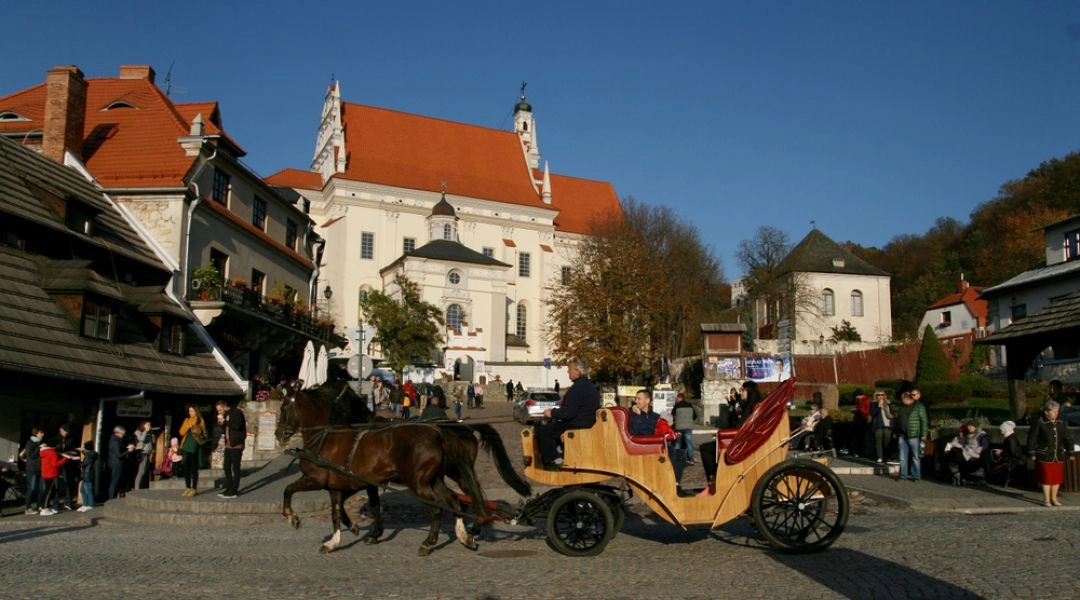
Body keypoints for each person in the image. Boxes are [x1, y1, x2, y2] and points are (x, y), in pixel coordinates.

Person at [534, 357, 600, 469]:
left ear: (577, 371)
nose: (568, 371)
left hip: (578, 424)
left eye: (569, 369)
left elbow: (569, 412)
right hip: (587, 422)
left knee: (542, 430)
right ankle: (560, 452)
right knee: (553, 428)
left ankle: (553, 460)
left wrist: (552, 413)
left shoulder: (578, 387)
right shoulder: (589, 385)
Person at [1027, 399, 1075, 507]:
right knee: (1047, 478)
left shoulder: (1060, 423)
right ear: (1046, 412)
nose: (1056, 413)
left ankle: (1054, 499)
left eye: (1057, 411)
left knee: (1056, 479)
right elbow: (1032, 439)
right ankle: (1046, 500)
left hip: (1058, 455)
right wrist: (1032, 453)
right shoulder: (1039, 422)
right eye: (1053, 411)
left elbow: (1067, 438)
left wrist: (1070, 452)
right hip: (1044, 455)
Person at [894, 391, 928, 481]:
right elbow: (898, 420)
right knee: (902, 457)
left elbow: (924, 421)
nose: (902, 401)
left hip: (914, 435)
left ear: (907, 398)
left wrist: (924, 434)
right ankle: (902, 475)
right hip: (902, 435)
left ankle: (916, 475)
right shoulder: (902, 407)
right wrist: (896, 432)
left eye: (903, 399)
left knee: (915, 457)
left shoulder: (919, 407)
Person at [216, 399, 247, 499]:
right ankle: (228, 487)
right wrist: (222, 424)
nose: (219, 412)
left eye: (220, 410)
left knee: (235, 468)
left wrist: (225, 421)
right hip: (229, 444)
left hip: (237, 444)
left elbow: (237, 426)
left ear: (225, 406)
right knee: (226, 467)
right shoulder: (226, 415)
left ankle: (234, 490)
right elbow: (227, 429)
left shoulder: (237, 412)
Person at [944, 420, 990, 485]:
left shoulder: (981, 435)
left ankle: (956, 476)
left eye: (970, 426)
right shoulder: (968, 435)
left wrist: (973, 451)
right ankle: (951, 475)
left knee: (953, 455)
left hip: (974, 455)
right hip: (966, 453)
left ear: (975, 427)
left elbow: (985, 446)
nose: (968, 427)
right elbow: (964, 444)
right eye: (968, 426)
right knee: (948, 455)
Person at [179, 405, 207, 497]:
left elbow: (204, 435)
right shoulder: (187, 420)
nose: (190, 412)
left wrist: (194, 428)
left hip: (195, 446)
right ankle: (187, 487)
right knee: (185, 466)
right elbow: (181, 432)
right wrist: (187, 427)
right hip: (186, 446)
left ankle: (194, 488)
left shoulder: (200, 420)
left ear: (196, 411)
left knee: (193, 468)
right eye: (189, 411)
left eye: (192, 411)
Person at [37, 440, 70, 516]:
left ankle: (44, 507)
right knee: (49, 492)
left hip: (45, 472)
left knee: (47, 491)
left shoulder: (44, 451)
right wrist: (65, 459)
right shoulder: (52, 452)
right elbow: (55, 464)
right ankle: (44, 508)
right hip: (51, 473)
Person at [20, 426, 44, 515]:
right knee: (32, 488)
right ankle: (28, 508)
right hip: (32, 469)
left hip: (40, 468)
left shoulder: (40, 443)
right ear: (36, 433)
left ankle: (39, 506)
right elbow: (31, 456)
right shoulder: (30, 443)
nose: (42, 434)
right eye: (41, 433)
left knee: (42, 488)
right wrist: (39, 448)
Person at [992, 420, 1024, 487]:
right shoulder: (1011, 437)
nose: (1001, 431)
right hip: (1012, 459)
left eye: (1002, 429)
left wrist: (1001, 453)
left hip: (1011, 460)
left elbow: (1012, 452)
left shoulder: (1010, 439)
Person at [55, 423, 79, 510]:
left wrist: (71, 453)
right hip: (57, 462)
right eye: (65, 431)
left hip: (67, 463)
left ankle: (68, 502)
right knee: (56, 483)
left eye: (67, 432)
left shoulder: (71, 439)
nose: (66, 433)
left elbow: (74, 449)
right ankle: (55, 503)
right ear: (60, 429)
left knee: (69, 482)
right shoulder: (55, 438)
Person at [107, 425, 133, 500]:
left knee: (115, 481)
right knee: (114, 482)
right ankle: (111, 498)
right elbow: (119, 454)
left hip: (114, 462)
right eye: (122, 434)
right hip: (117, 463)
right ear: (118, 433)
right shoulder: (115, 441)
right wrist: (128, 451)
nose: (123, 435)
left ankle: (112, 497)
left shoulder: (114, 440)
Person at [672, 393, 698, 465]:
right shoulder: (690, 405)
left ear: (680, 398)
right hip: (688, 427)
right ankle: (691, 459)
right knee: (689, 443)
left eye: (677, 398)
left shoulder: (676, 406)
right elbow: (695, 416)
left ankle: (677, 459)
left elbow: (672, 415)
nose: (676, 400)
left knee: (678, 443)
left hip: (679, 428)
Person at [869, 390, 893, 464]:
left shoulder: (888, 404)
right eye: (878, 395)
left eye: (882, 395)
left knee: (887, 441)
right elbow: (873, 414)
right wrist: (879, 406)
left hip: (887, 424)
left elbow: (892, 413)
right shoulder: (874, 404)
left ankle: (887, 456)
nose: (880, 396)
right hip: (878, 425)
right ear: (876, 396)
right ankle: (880, 457)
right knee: (878, 441)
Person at [133, 420, 155, 490]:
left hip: (148, 453)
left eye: (150, 425)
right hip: (142, 453)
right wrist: (145, 431)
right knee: (141, 471)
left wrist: (151, 433)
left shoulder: (149, 433)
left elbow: (152, 442)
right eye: (147, 425)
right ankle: (136, 488)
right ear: (143, 425)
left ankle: (140, 486)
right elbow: (141, 439)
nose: (149, 426)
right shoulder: (138, 432)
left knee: (145, 471)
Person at [849, 389, 871, 457]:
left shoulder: (866, 400)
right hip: (858, 419)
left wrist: (858, 410)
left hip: (863, 419)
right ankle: (856, 450)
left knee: (861, 437)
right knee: (856, 436)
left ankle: (860, 451)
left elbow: (867, 411)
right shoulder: (860, 400)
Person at [77, 441, 97, 512]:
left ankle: (90, 505)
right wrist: (82, 451)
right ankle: (85, 505)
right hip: (85, 475)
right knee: (82, 490)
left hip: (87, 475)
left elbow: (83, 464)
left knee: (88, 490)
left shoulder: (89, 456)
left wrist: (77, 460)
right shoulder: (90, 454)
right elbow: (87, 453)